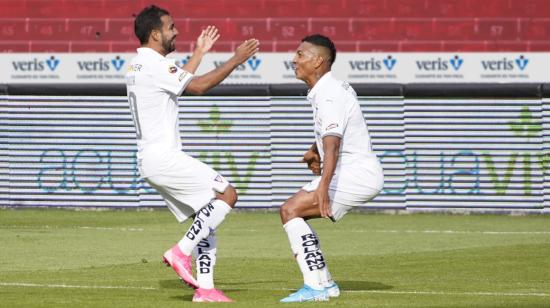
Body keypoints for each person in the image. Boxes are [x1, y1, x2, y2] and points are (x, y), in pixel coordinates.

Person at [126, 5, 259, 303]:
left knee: (206, 215)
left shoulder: (138, 65)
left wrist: (199, 52)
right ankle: (180, 252)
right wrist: (236, 59)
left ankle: (206, 288)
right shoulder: (156, 65)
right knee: (227, 195)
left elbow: (181, 81)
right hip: (163, 156)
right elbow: (197, 86)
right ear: (155, 33)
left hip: (151, 158)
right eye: (171, 26)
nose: (176, 31)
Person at [279, 34, 384, 303]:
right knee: (294, 212)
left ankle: (317, 287)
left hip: (357, 174)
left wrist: (324, 187)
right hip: (359, 173)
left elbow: (334, 145)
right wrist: (314, 151)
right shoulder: (330, 89)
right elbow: (336, 132)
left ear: (318, 61)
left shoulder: (328, 94)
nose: (294, 59)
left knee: (290, 210)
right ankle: (324, 284)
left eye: (301, 54)